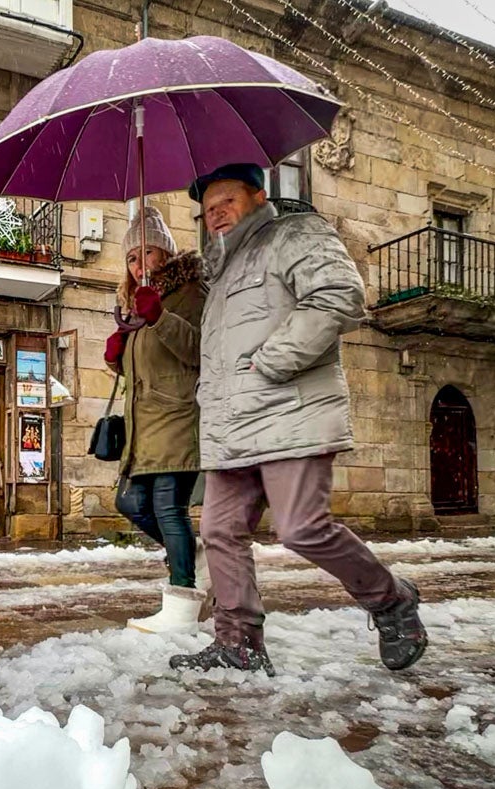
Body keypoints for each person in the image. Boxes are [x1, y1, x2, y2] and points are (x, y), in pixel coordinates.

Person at [170, 163, 427, 677]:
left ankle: (391, 600)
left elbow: (339, 296)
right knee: (219, 533)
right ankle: (238, 641)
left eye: (227, 201)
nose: (216, 214)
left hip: (290, 412)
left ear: (258, 196)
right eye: (207, 209)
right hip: (230, 424)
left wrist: (273, 359)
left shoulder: (294, 233)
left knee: (302, 529)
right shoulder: (217, 273)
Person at [104, 205, 211, 633]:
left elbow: (198, 350)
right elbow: (145, 366)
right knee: (129, 503)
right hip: (143, 424)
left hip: (178, 416)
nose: (139, 264)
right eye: (132, 257)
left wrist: (160, 317)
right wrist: (117, 359)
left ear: (165, 254)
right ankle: (197, 556)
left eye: (148, 253)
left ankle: (181, 606)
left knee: (168, 508)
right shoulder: (132, 306)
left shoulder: (192, 291)